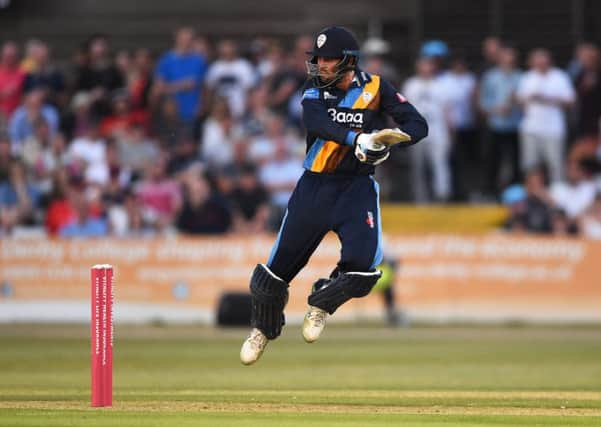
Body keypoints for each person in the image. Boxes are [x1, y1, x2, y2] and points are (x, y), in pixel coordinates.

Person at [239, 26, 427, 365]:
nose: (321, 65)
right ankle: (262, 330)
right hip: (315, 187)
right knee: (271, 278)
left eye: (328, 59)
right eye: (319, 58)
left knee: (365, 272)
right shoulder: (313, 90)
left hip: (356, 191)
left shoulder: (375, 87)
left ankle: (321, 304)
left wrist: (388, 140)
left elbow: (418, 124)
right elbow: (320, 125)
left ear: (348, 61)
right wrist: (359, 140)